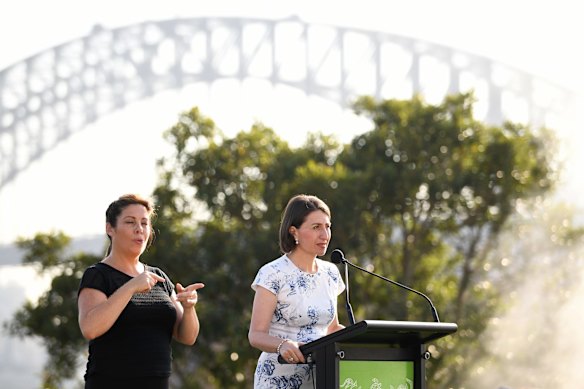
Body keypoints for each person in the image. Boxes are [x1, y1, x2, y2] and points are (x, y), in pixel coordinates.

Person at [77, 194, 204, 389]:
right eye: (130, 222)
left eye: (144, 223)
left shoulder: (158, 277)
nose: (139, 229)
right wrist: (130, 287)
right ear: (110, 228)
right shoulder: (98, 275)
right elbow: (90, 328)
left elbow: (187, 337)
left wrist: (189, 308)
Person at [248, 194, 346, 388]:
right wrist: (282, 345)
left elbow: (331, 329)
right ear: (294, 232)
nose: (325, 235)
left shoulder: (331, 273)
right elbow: (256, 334)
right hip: (278, 378)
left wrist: (360, 340)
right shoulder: (272, 273)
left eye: (327, 226)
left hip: (323, 378)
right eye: (316, 227)